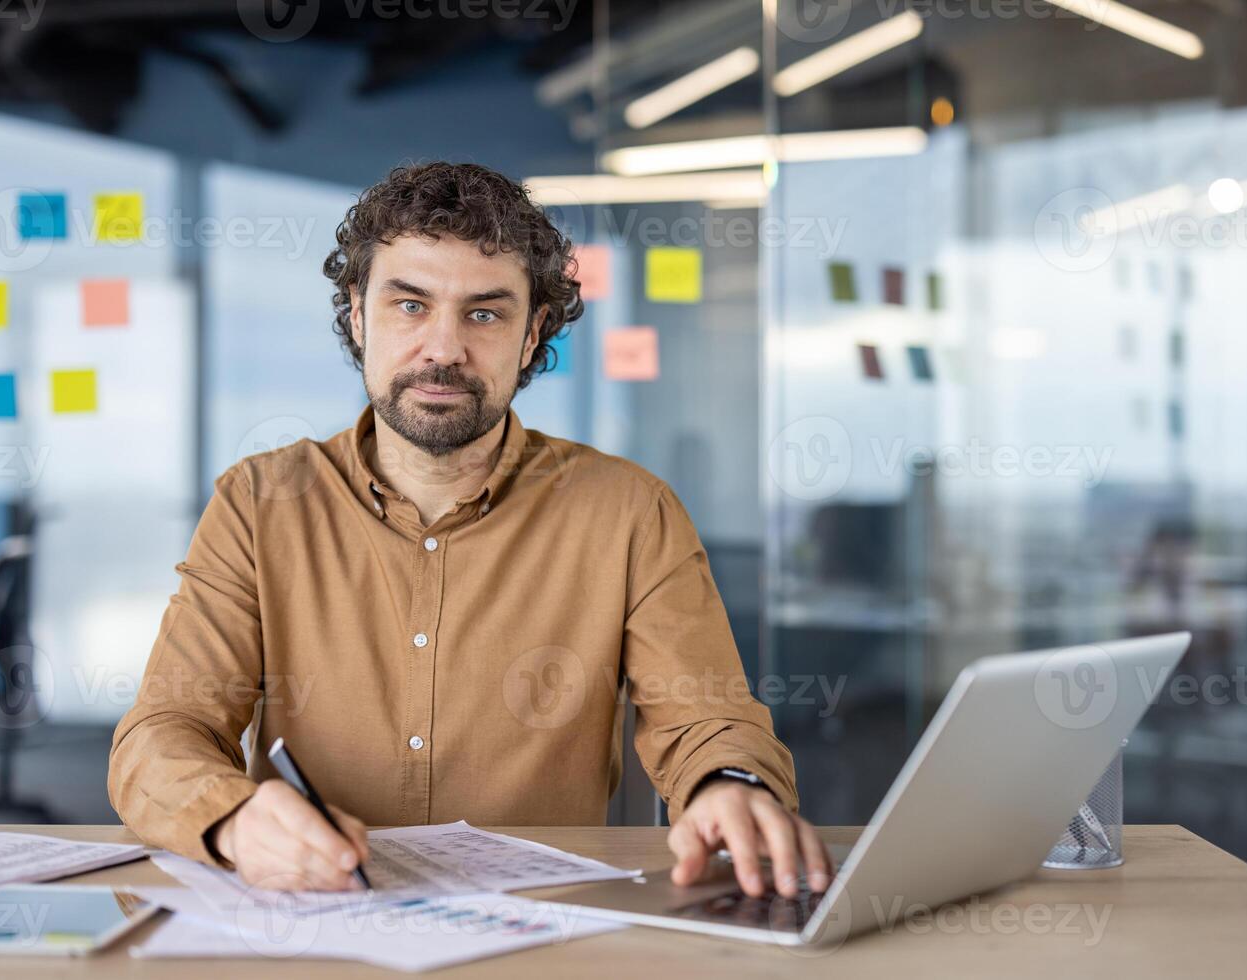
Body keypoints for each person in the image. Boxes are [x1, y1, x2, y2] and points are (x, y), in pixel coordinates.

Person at [108, 161, 831, 901]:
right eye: (410, 306)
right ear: (358, 316)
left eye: (484, 314)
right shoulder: (260, 503)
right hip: (313, 923)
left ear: (532, 334)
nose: (444, 348)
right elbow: (164, 732)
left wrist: (728, 785)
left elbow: (709, 718)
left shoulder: (628, 512)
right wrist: (231, 820)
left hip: (545, 936)